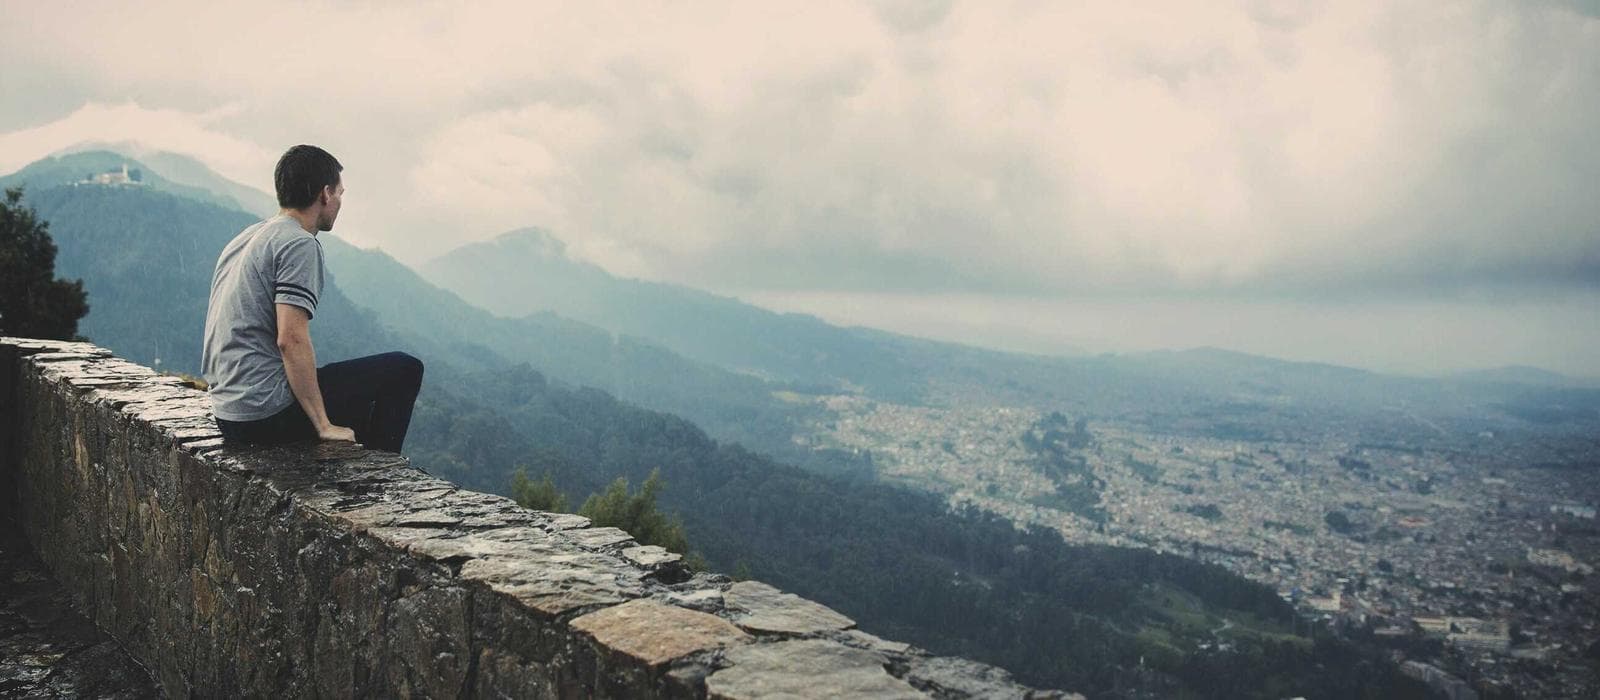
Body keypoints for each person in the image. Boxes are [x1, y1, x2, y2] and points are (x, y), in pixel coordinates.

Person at [201, 145, 423, 452]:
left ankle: (362, 467)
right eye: (340, 193)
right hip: (263, 414)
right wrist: (323, 424)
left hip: (228, 412)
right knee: (404, 369)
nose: (340, 202)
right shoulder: (299, 243)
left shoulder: (248, 237)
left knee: (356, 402)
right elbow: (290, 339)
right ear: (325, 194)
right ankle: (382, 480)